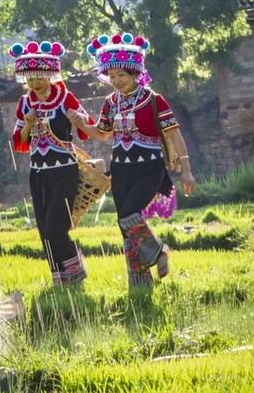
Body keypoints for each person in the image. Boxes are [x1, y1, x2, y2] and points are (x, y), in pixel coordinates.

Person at [66, 33, 196, 289]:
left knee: (128, 215)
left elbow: (174, 134)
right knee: (125, 229)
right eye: (111, 76)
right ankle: (140, 284)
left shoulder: (153, 100)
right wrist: (82, 124)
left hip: (149, 169)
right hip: (121, 171)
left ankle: (159, 251)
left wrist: (186, 171)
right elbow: (103, 135)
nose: (116, 81)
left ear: (136, 72)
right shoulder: (110, 103)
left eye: (121, 75)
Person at [8, 40, 97, 286]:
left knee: (56, 223)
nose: (35, 83)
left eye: (40, 77)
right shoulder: (25, 103)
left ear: (50, 75)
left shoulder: (64, 97)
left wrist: (77, 119)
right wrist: (27, 123)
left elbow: (86, 126)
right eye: (30, 78)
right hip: (38, 173)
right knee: (44, 230)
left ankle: (75, 268)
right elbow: (20, 142)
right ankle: (59, 277)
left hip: (64, 171)